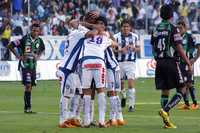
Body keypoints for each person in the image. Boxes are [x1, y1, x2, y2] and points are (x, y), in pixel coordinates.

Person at [151, 4, 192, 128]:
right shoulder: (173, 28)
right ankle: (166, 110)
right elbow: (179, 48)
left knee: (165, 91)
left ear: (160, 14)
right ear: (171, 15)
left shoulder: (156, 28)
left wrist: (158, 58)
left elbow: (153, 47)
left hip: (159, 63)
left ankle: (166, 122)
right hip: (170, 62)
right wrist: (188, 62)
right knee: (182, 88)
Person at [80, 16, 113, 127]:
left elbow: (87, 34)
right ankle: (100, 121)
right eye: (98, 23)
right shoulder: (105, 34)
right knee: (98, 90)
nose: (99, 25)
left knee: (88, 91)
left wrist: (93, 28)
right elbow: (115, 43)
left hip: (89, 61)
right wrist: (97, 28)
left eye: (101, 24)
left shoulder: (91, 33)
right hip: (97, 62)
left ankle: (87, 121)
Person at [7, 23, 45, 113]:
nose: (35, 32)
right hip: (25, 65)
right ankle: (27, 108)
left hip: (33, 66)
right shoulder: (24, 39)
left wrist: (38, 57)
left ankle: (28, 108)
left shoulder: (40, 41)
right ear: (31, 30)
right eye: (34, 30)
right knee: (27, 85)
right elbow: (10, 45)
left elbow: (42, 49)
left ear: (39, 31)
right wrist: (18, 56)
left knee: (30, 86)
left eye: (37, 31)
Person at [114, 19, 140, 112]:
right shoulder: (116, 37)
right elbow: (113, 50)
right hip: (119, 62)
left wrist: (133, 48)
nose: (125, 28)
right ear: (121, 27)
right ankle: (124, 96)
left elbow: (139, 48)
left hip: (131, 62)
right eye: (124, 26)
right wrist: (120, 50)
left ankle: (131, 106)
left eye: (127, 26)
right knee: (120, 84)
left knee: (130, 83)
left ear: (130, 27)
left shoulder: (135, 36)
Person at [177, 20, 200, 110]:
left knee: (189, 83)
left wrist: (194, 59)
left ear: (185, 28)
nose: (179, 30)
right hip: (180, 63)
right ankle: (186, 104)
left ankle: (195, 103)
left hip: (188, 63)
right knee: (182, 84)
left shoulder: (190, 37)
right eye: (178, 28)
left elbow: (198, 47)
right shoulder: (177, 37)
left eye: (181, 28)